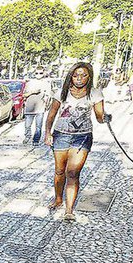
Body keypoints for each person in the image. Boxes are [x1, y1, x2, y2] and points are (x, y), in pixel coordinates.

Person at [44, 62, 111, 222]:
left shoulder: (95, 93)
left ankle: (69, 210)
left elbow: (99, 117)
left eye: (83, 75)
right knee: (59, 171)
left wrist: (105, 117)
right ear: (71, 76)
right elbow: (52, 114)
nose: (79, 79)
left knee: (73, 173)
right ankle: (58, 199)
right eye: (75, 75)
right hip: (61, 135)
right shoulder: (62, 92)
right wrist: (47, 133)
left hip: (82, 137)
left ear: (89, 76)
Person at [22, 74, 47, 146]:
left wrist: (46, 103)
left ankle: (36, 140)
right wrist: (33, 92)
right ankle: (27, 137)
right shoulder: (29, 83)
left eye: (41, 73)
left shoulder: (46, 84)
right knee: (27, 125)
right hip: (29, 109)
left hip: (40, 109)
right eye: (37, 73)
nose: (39, 75)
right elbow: (24, 95)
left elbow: (48, 96)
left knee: (38, 126)